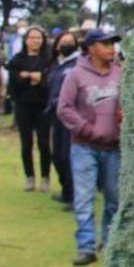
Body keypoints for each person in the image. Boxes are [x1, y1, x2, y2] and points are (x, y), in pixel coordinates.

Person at [57, 29, 123, 266]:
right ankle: (86, 247)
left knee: (114, 198)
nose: (111, 48)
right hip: (84, 148)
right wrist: (87, 129)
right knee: (84, 198)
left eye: (113, 44)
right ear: (91, 47)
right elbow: (64, 109)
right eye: (106, 44)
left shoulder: (120, 74)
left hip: (114, 148)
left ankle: (109, 242)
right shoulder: (76, 75)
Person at [6, 25, 52, 192]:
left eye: (39, 38)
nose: (36, 41)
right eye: (32, 38)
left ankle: (45, 176)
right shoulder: (17, 60)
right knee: (26, 144)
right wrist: (34, 78)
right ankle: (29, 176)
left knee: (44, 143)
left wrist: (31, 76)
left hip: (43, 107)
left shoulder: (48, 59)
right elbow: (14, 83)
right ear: (26, 40)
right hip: (23, 107)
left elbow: (49, 80)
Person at [46, 31, 80, 209]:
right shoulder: (55, 64)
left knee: (68, 156)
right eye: (63, 42)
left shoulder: (78, 64)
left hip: (71, 115)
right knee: (57, 155)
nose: (66, 45)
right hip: (55, 114)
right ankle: (66, 191)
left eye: (70, 42)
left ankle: (75, 196)